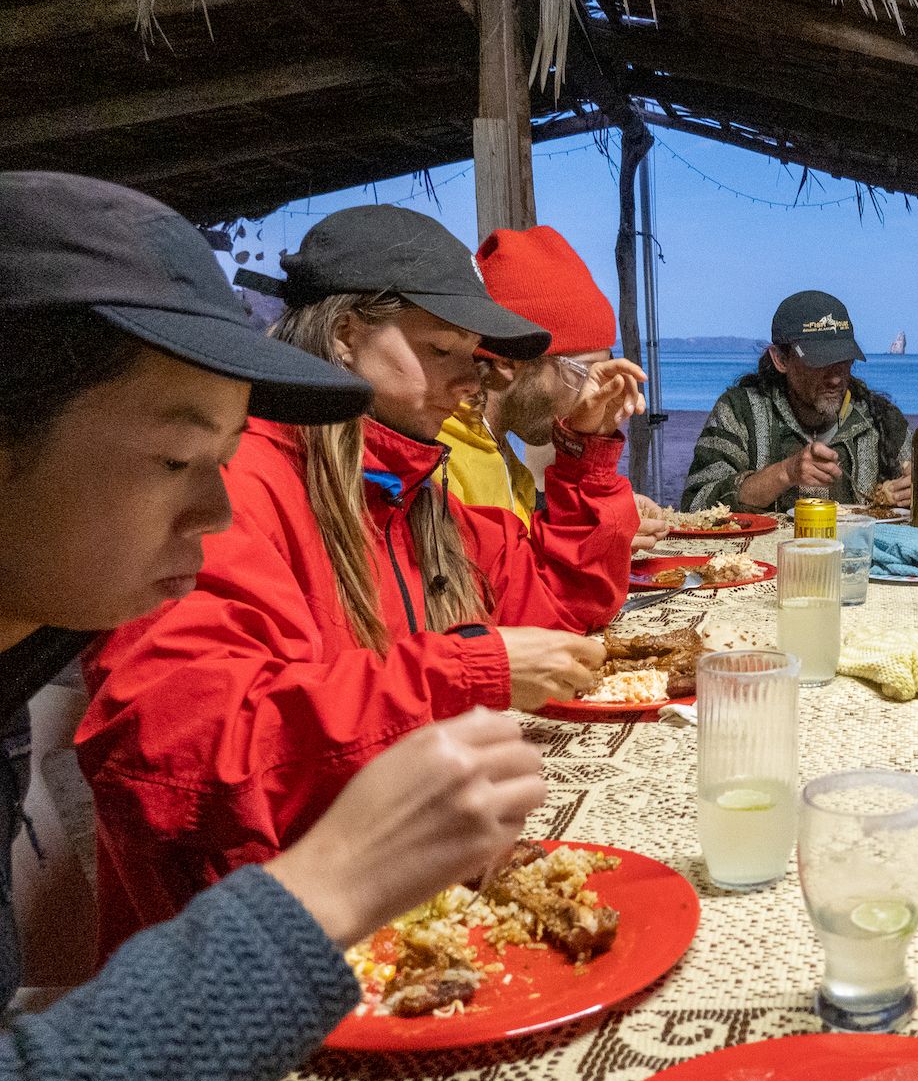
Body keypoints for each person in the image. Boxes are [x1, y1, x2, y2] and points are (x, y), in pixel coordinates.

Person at [0, 172, 548, 1081]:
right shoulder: (268, 487)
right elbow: (164, 742)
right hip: (242, 998)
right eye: (179, 458)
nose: (212, 508)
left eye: (218, 457)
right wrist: (329, 886)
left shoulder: (405, 485)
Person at [80, 203, 640, 953]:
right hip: (254, 951)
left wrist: (587, 454)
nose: (470, 381)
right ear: (346, 336)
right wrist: (464, 673)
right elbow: (177, 759)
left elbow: (566, 607)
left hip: (405, 892)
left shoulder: (406, 487)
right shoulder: (237, 489)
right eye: (442, 350)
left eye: (475, 357)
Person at [436, 224, 671, 550]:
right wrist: (596, 534)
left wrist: (603, 516)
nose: (589, 396)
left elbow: (523, 544)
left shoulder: (494, 448)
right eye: (582, 373)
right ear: (507, 359)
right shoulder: (442, 465)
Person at [682, 291, 910, 513]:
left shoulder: (881, 419)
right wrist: (786, 473)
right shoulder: (740, 412)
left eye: (844, 362)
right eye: (819, 363)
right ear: (781, 359)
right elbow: (696, 504)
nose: (836, 378)